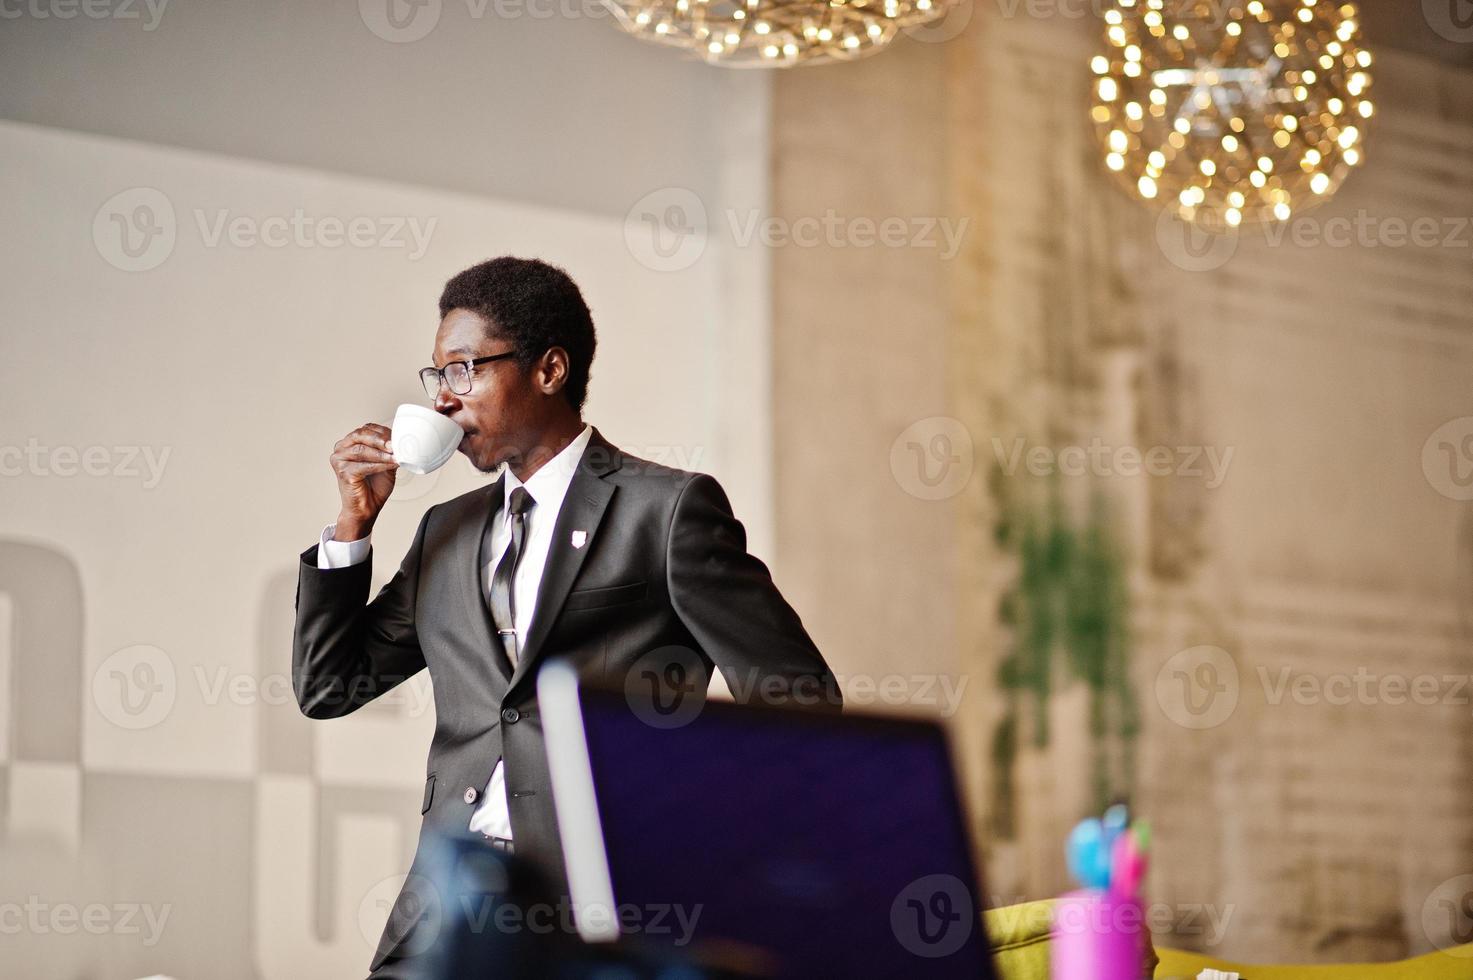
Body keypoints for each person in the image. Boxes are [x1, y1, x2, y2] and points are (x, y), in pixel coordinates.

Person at [291, 256, 842, 978]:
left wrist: (690, 831)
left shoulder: (664, 510)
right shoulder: (445, 535)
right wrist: (352, 526)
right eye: (437, 377)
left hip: (604, 921)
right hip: (446, 917)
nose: (443, 402)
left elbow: (798, 704)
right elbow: (331, 687)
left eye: (464, 370)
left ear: (549, 370)